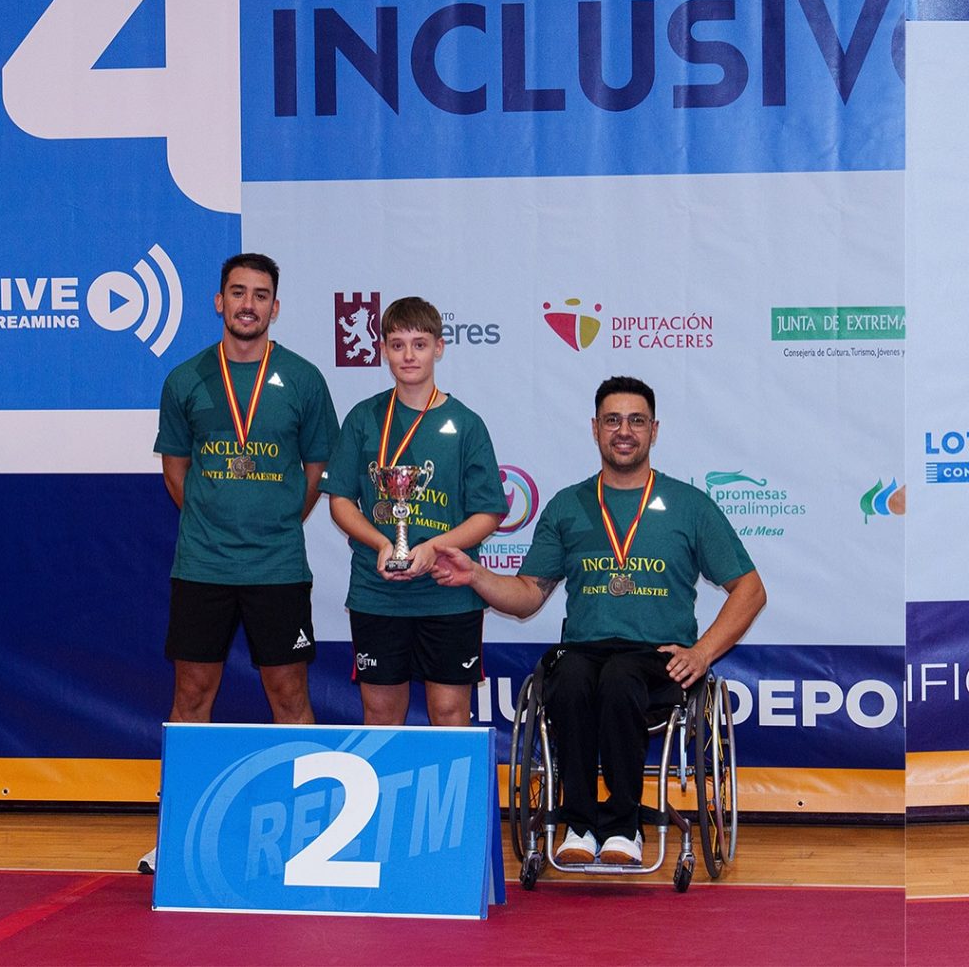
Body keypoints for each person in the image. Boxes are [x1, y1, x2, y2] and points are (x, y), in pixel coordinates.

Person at [432, 376, 765, 865]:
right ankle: (580, 825)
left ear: (654, 430)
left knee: (620, 678)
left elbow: (750, 590)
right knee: (567, 679)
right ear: (595, 429)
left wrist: (702, 653)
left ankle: (625, 828)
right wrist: (476, 575)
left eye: (636, 421)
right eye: (612, 420)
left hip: (657, 658)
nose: (623, 431)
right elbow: (528, 596)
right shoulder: (568, 505)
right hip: (584, 652)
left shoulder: (689, 506)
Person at [139, 253, 339, 873]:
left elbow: (315, 473)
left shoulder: (303, 379)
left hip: (278, 567)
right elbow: (175, 471)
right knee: (191, 695)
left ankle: (304, 838)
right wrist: (215, 521)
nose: (248, 304)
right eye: (237, 292)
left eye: (260, 294)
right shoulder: (186, 379)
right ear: (218, 301)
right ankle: (179, 833)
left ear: (276, 306)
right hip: (202, 566)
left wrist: (273, 519)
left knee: (289, 694)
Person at [320, 296, 508, 728]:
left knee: (449, 713)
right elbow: (341, 501)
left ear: (439, 348)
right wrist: (382, 543)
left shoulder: (466, 424)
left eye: (419, 344)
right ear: (383, 350)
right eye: (398, 344)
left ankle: (453, 784)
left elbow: (488, 513)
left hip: (448, 591)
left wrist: (434, 548)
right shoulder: (364, 418)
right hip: (378, 592)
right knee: (381, 714)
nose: (408, 355)